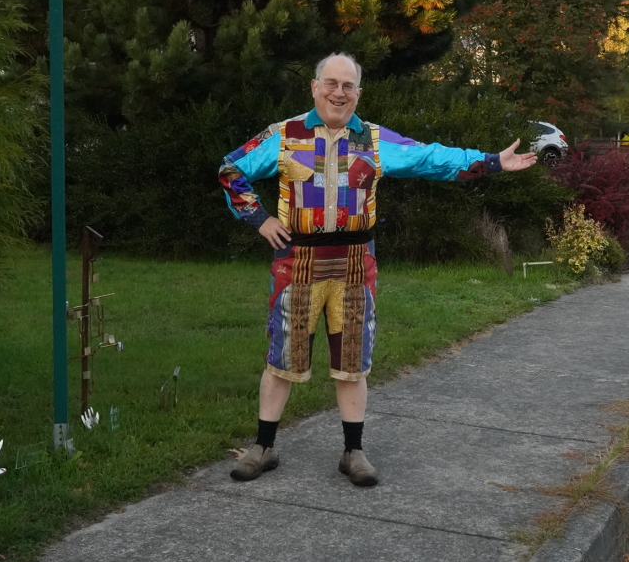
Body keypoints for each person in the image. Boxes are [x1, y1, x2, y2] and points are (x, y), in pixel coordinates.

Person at [219, 52, 537, 486]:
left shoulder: (373, 140)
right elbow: (231, 168)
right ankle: (264, 446)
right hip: (297, 266)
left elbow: (429, 158)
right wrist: (259, 219)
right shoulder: (283, 135)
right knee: (282, 359)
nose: (338, 92)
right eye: (330, 83)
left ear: (358, 93)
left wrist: (492, 161)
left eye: (348, 86)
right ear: (314, 87)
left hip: (354, 266)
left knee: (353, 363)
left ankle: (353, 452)